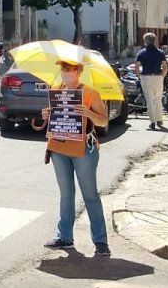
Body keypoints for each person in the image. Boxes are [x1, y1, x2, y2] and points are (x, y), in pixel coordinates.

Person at [33, 59, 111, 256]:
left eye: (69, 69)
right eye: (63, 69)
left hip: (84, 148)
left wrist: (90, 114)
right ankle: (65, 236)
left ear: (78, 71)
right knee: (66, 193)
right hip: (59, 146)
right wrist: (46, 115)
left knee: (90, 194)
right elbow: (55, 117)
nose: (65, 72)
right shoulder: (56, 89)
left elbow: (103, 121)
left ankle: (100, 241)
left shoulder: (90, 93)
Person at [134, 33, 167, 131]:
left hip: (146, 77)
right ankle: (159, 120)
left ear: (145, 41)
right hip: (158, 77)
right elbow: (165, 66)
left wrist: (140, 77)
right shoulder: (160, 52)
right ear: (155, 40)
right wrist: (162, 76)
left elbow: (136, 67)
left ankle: (152, 122)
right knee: (158, 99)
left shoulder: (141, 53)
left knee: (149, 100)